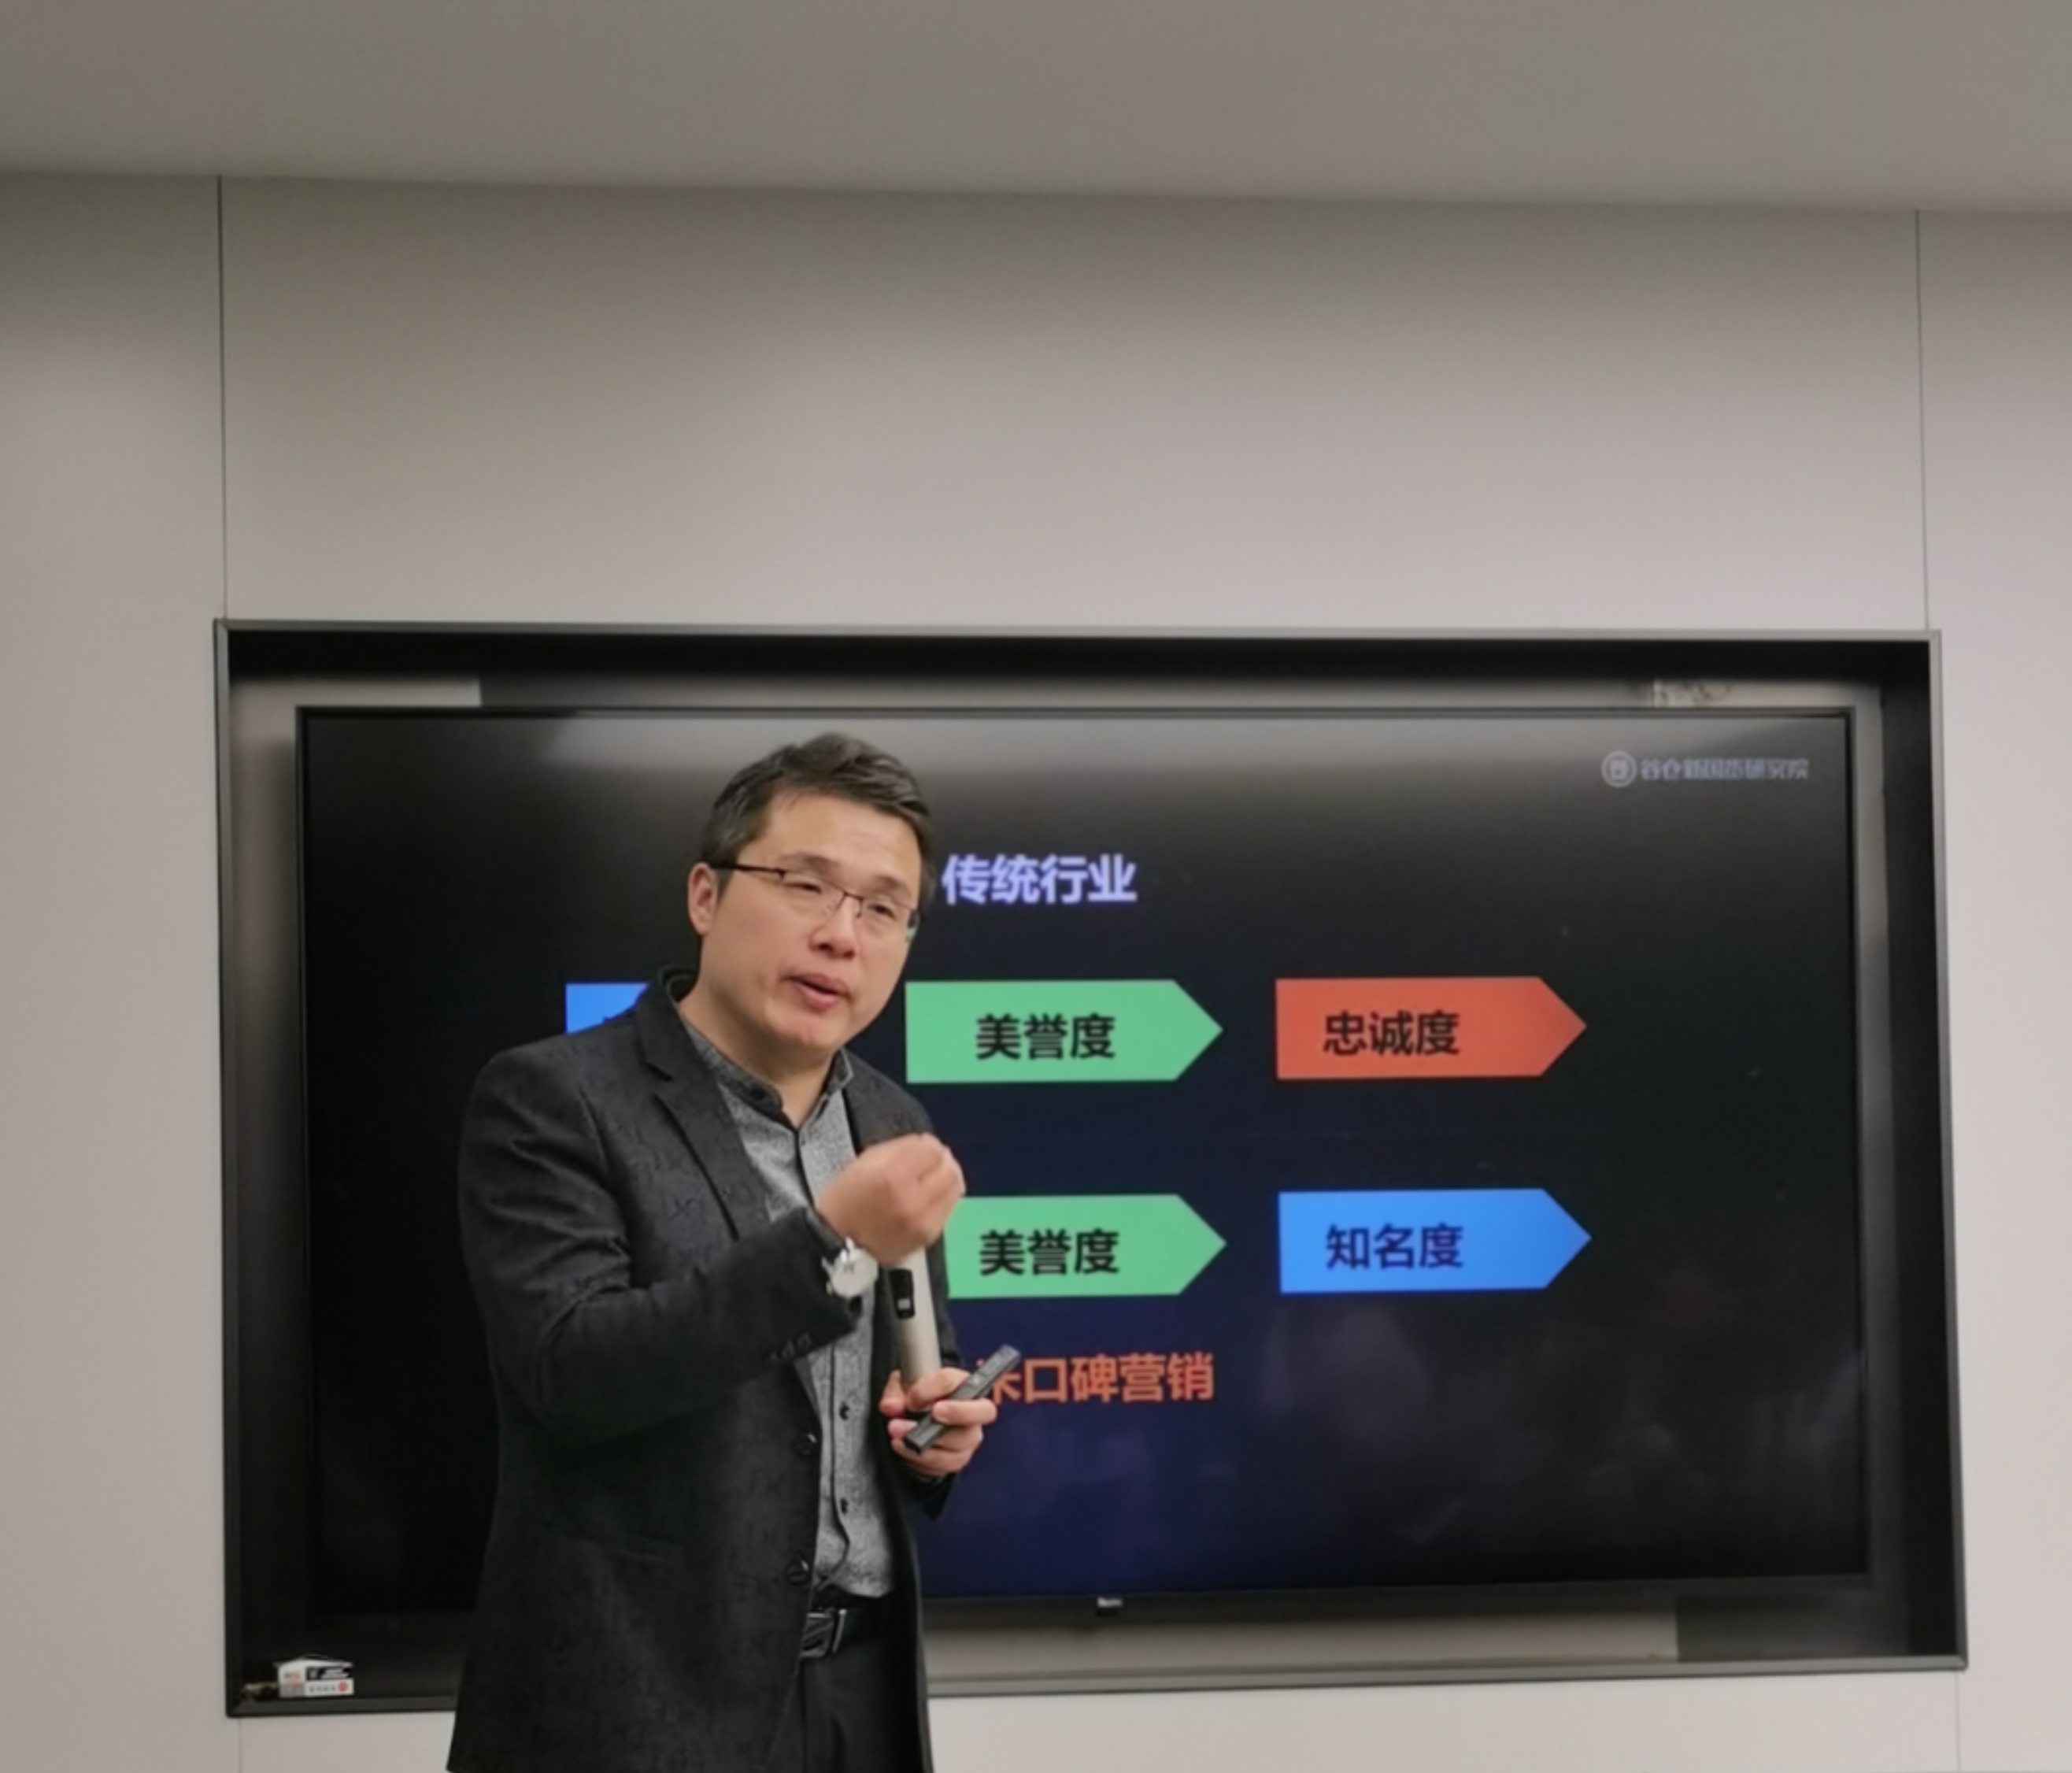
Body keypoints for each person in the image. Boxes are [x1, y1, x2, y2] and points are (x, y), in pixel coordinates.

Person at [448, 734, 993, 1773]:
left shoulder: (890, 1120)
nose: (842, 935)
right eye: (806, 885)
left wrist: (930, 1436)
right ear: (706, 895)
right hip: (638, 1708)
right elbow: (572, 1372)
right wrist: (833, 1240)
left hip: (861, 1692)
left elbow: (884, 1386)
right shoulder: (556, 1099)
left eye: (883, 909)